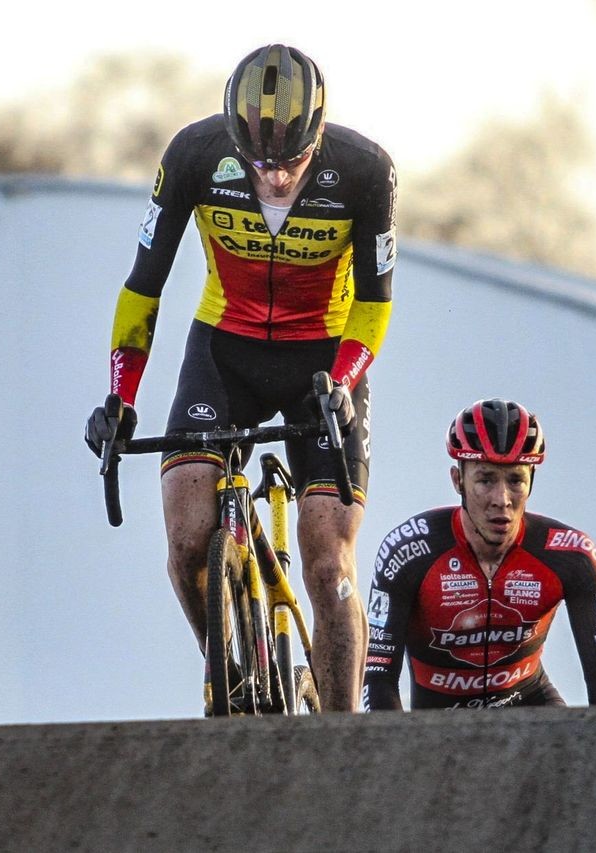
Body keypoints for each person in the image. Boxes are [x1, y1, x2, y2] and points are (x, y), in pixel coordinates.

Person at [85, 44, 398, 712]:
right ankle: (230, 674)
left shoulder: (366, 170)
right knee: (185, 540)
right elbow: (144, 288)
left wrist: (343, 382)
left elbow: (374, 305)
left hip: (324, 361)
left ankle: (344, 739)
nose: (276, 178)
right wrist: (120, 397)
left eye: (291, 162)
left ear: (317, 138)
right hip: (225, 353)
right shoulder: (195, 156)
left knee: (328, 564)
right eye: (259, 164)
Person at [362, 399, 596, 710]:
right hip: (436, 719)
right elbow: (378, 677)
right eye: (486, 479)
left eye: (515, 480)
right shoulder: (409, 552)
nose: (501, 500)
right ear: (457, 480)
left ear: (531, 483)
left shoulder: (571, 556)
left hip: (528, 702)